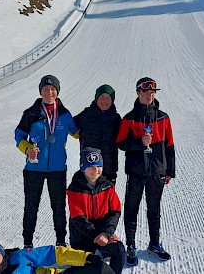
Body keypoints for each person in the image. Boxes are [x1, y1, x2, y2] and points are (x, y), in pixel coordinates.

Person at [15, 75, 79, 249]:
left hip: (57, 169)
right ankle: (27, 242)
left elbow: (77, 133)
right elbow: (19, 135)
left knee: (59, 207)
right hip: (34, 168)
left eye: (52, 89)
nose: (49, 92)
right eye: (45, 89)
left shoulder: (65, 115)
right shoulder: (31, 113)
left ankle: (60, 240)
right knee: (31, 206)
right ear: (40, 91)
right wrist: (28, 149)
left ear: (57, 92)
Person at [116, 77, 175, 265]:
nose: (150, 95)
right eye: (146, 92)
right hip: (136, 171)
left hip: (157, 172)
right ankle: (131, 245)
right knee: (132, 209)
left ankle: (154, 243)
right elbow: (121, 143)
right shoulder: (129, 118)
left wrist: (170, 171)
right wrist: (139, 143)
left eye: (153, 92)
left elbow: (170, 145)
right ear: (138, 93)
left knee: (154, 209)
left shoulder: (163, 118)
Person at [66, 147, 125, 274]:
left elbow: (115, 211)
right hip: (81, 235)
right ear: (83, 168)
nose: (95, 169)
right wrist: (99, 235)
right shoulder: (73, 189)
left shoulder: (108, 187)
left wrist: (106, 233)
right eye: (91, 166)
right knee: (88, 268)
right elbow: (78, 218)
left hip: (102, 233)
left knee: (119, 251)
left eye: (98, 166)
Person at [0, 237, 116, 274]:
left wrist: (86, 258)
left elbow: (54, 253)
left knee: (100, 269)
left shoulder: (20, 257)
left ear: (1, 252)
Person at [73, 85, 121, 184]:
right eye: (101, 97)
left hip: (109, 166)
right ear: (96, 98)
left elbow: (124, 137)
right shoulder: (86, 115)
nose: (104, 101)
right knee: (88, 196)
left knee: (108, 197)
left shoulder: (116, 118)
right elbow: (69, 125)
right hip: (89, 165)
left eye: (108, 98)